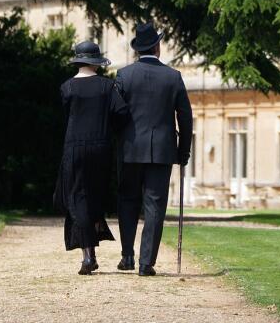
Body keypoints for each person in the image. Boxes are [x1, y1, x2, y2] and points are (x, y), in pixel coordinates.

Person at [114, 23, 193, 276]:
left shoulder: (124, 75)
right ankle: (146, 263)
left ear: (138, 49)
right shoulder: (173, 77)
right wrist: (184, 151)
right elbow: (186, 118)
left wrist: (119, 141)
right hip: (162, 150)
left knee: (127, 201)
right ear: (157, 47)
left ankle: (127, 256)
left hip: (130, 149)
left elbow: (116, 114)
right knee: (155, 206)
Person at [53, 40, 128, 275]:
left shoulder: (67, 87)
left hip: (74, 147)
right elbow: (122, 112)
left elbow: (66, 118)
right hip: (101, 147)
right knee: (96, 195)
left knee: (77, 198)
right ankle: (91, 252)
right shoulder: (108, 87)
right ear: (96, 62)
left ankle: (88, 255)